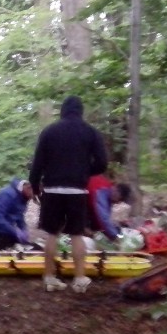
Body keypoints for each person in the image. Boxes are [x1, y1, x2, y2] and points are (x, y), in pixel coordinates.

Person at [29, 95, 107, 293]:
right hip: (76, 190)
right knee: (76, 234)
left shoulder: (49, 132)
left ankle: (49, 278)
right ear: (81, 111)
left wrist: (35, 187)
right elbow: (102, 163)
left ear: (62, 110)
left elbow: (37, 164)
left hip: (52, 189)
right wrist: (84, 171)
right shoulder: (90, 132)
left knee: (52, 233)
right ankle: (79, 279)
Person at [0, 178, 34, 250]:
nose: (32, 197)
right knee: (9, 251)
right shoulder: (7, 194)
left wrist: (23, 228)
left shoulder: (24, 196)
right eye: (34, 193)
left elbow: (19, 215)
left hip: (8, 229)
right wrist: (15, 231)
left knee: (26, 248)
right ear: (28, 187)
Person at [87, 174, 131, 242]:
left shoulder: (108, 193)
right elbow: (103, 216)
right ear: (116, 191)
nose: (116, 203)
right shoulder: (102, 190)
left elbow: (106, 217)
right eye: (118, 200)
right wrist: (115, 236)